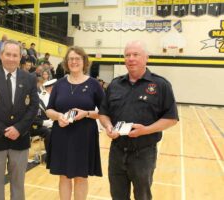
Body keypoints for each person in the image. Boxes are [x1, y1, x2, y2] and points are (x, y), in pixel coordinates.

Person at [99, 40, 179, 200]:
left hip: (143, 154)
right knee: (117, 195)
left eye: (136, 54)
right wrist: (108, 126)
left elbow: (171, 118)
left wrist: (146, 130)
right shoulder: (115, 85)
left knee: (142, 196)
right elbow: (103, 113)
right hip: (117, 151)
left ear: (146, 58)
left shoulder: (160, 85)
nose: (131, 58)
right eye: (127, 55)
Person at [0, 40, 39, 200]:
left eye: (15, 55)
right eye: (8, 54)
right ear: (1, 55)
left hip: (20, 139)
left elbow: (33, 108)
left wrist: (18, 128)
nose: (11, 58)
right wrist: (3, 130)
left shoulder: (29, 78)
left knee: (18, 185)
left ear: (20, 57)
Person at [46, 46, 104, 200]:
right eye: (70, 59)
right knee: (64, 176)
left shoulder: (94, 84)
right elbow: (49, 110)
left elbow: (105, 112)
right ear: (66, 62)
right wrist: (58, 116)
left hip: (84, 136)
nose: (74, 62)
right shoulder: (59, 84)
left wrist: (86, 113)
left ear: (84, 61)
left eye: (77, 59)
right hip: (62, 134)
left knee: (81, 177)